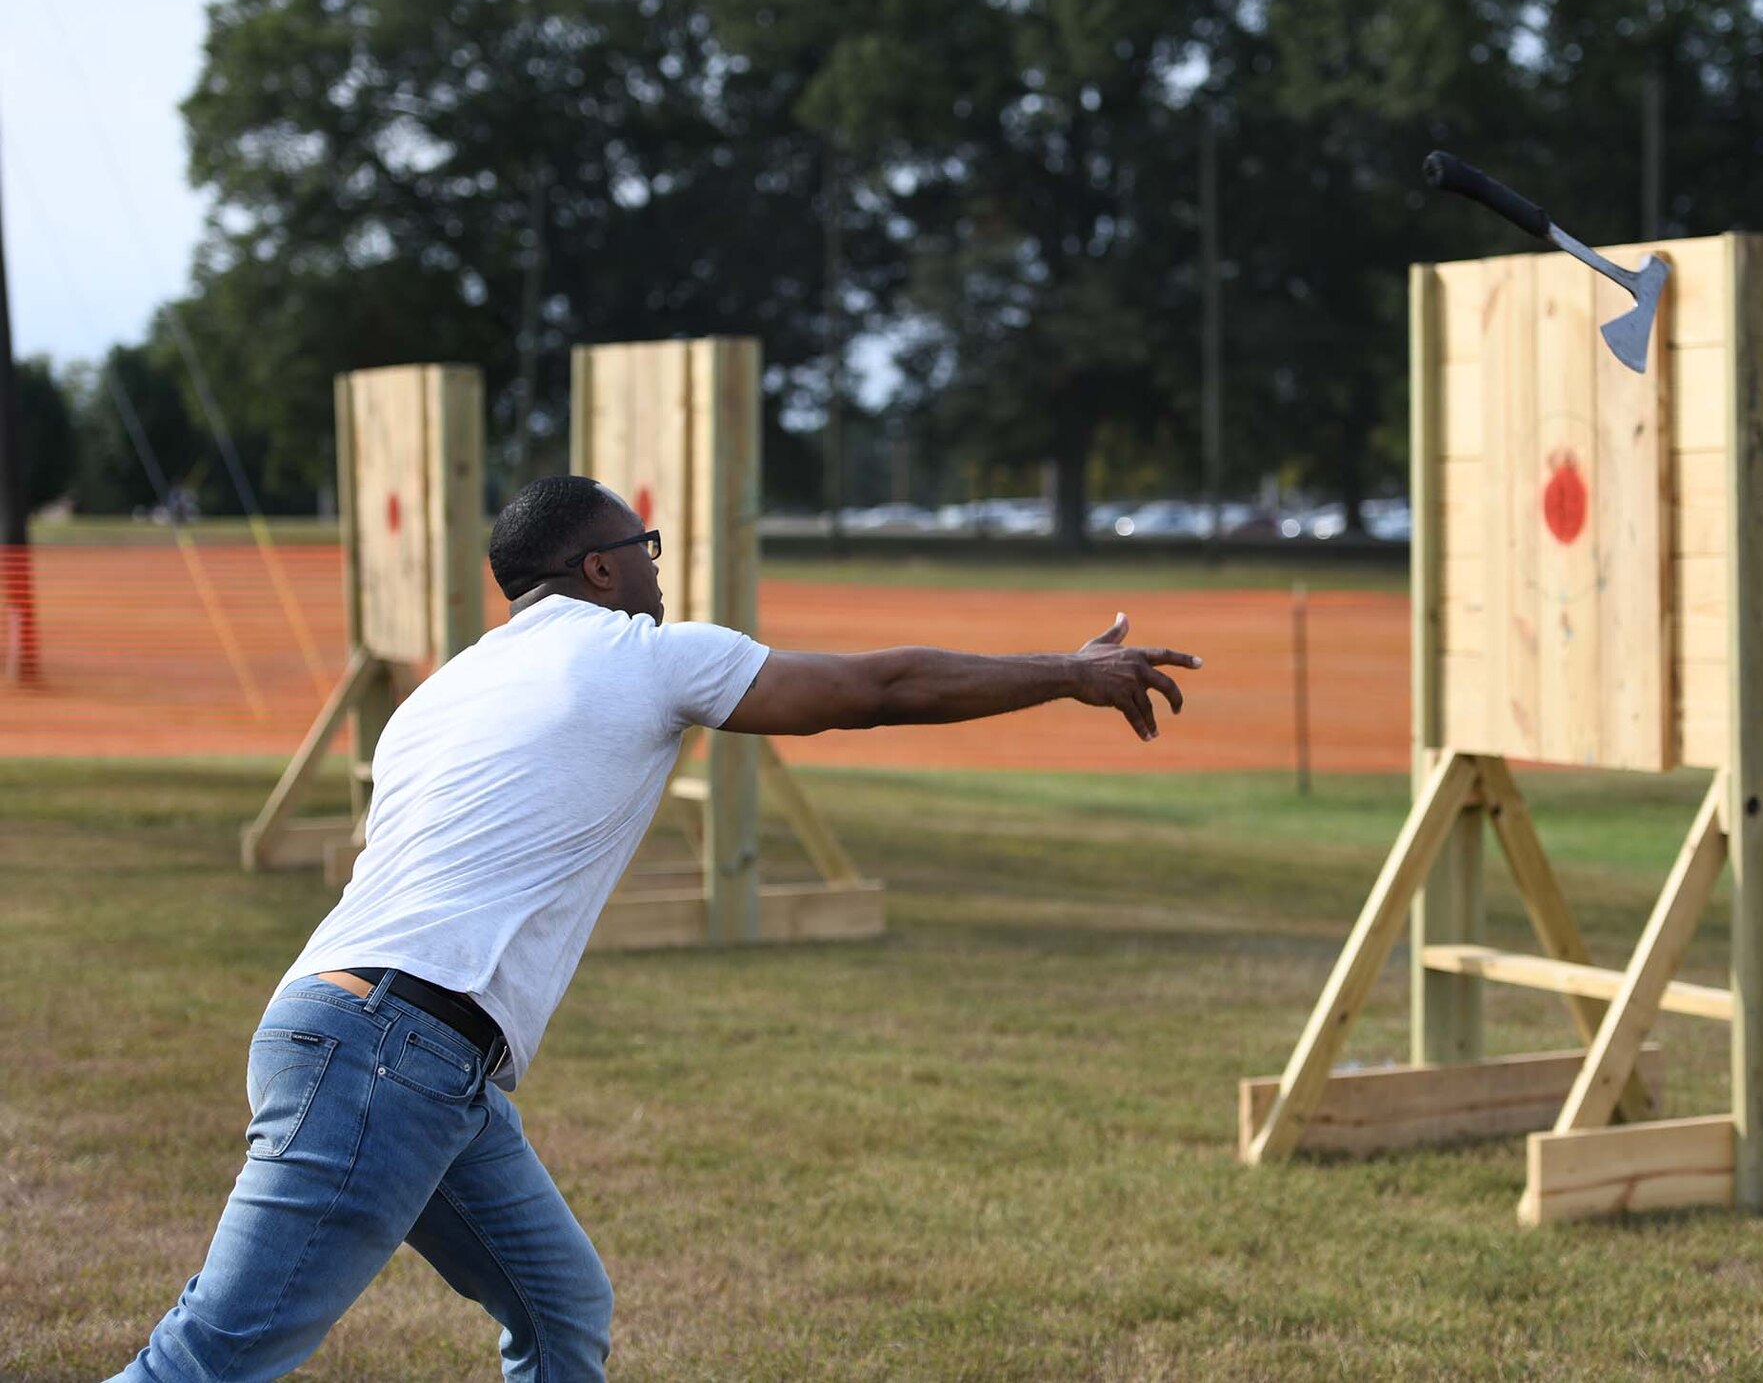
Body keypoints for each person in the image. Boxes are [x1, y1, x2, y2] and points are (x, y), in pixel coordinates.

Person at [112, 475, 1200, 1381]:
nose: (656, 567)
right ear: (599, 567)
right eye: (644, 545)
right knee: (213, 1355)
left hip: (371, 1032)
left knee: (560, 1308)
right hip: (395, 1049)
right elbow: (878, 686)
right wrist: (1070, 671)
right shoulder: (643, 652)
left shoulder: (441, 694)